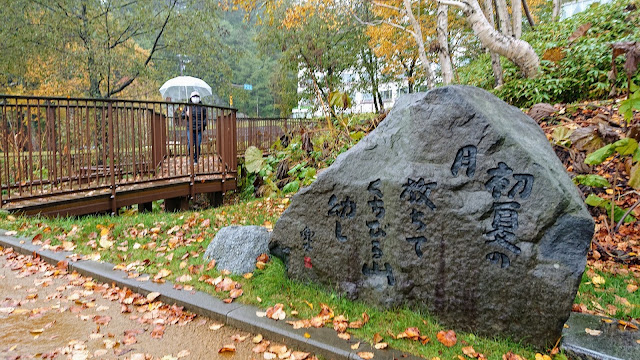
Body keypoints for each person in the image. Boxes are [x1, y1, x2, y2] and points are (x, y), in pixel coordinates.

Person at [181, 91, 207, 165]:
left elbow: (205, 117)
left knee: (198, 144)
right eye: (194, 96)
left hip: (199, 129)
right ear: (191, 98)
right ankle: (191, 157)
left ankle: (196, 159)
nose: (195, 98)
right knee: (190, 144)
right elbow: (182, 116)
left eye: (197, 96)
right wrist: (186, 113)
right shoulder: (187, 106)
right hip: (190, 128)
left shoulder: (202, 107)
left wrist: (202, 124)